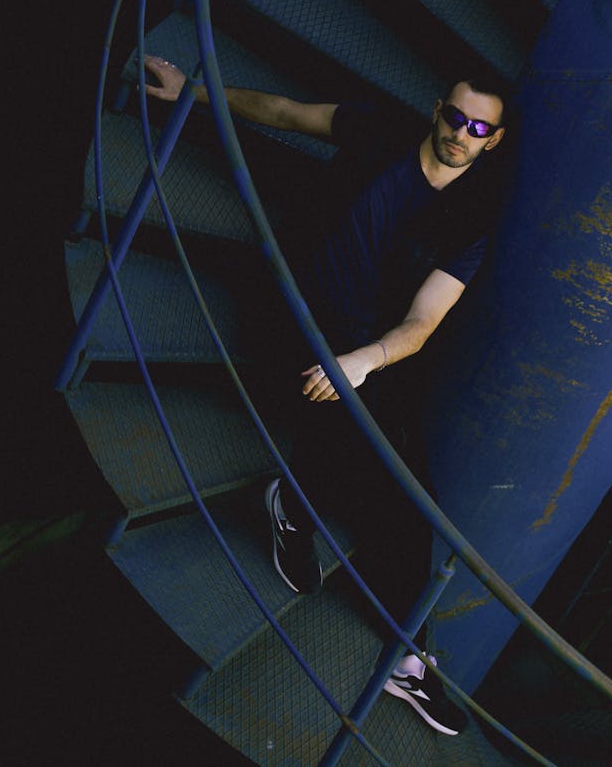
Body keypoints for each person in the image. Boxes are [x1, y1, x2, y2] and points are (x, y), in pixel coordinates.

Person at [144, 54, 510, 736]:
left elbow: (424, 322)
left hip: (364, 351)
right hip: (293, 317)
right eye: (456, 117)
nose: (463, 134)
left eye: (479, 128)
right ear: (438, 109)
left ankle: (398, 637)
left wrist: (365, 362)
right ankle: (313, 526)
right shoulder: (379, 134)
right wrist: (191, 92)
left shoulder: (471, 219)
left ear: (494, 139)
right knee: (369, 466)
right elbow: (285, 113)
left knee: (410, 485)